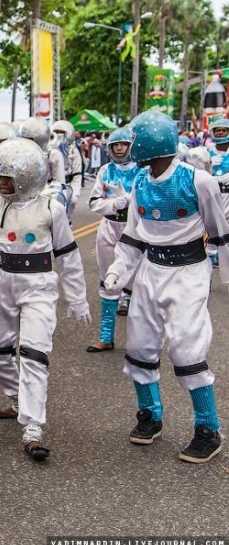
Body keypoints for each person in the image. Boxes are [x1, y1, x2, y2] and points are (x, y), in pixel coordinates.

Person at [104, 110, 229, 463]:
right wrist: (118, 269)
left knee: (187, 350)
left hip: (188, 272)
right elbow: (132, 236)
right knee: (140, 346)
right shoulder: (140, 182)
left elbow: (220, 232)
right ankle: (150, 415)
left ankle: (208, 429)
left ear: (148, 143)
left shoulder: (197, 181)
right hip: (150, 270)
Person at [0, 137, 90, 461]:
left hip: (39, 287)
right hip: (6, 284)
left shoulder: (51, 208)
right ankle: (18, 398)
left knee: (33, 355)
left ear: (28, 176)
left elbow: (68, 257)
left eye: (9, 178)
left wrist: (78, 298)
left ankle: (33, 427)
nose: (2, 184)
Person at [86, 127, 142, 353]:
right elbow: (93, 202)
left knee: (138, 283)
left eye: (123, 144)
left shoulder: (142, 170)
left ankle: (138, 341)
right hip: (109, 229)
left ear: (131, 146)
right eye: (115, 145)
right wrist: (113, 204)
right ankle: (106, 337)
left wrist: (131, 201)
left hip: (135, 230)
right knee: (107, 281)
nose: (119, 148)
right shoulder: (105, 170)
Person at [205, 118, 229, 268]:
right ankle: (209, 261)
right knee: (212, 228)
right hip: (213, 195)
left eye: (224, 130)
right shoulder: (207, 152)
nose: (220, 133)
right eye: (218, 130)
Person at [51, 120, 83, 221]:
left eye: (61, 132)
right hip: (52, 188)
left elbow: (77, 174)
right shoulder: (50, 151)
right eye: (56, 132)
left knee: (66, 220)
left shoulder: (73, 151)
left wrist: (75, 194)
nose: (59, 135)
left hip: (68, 187)